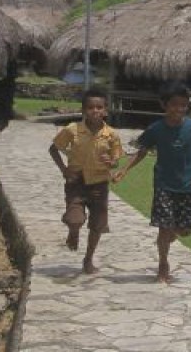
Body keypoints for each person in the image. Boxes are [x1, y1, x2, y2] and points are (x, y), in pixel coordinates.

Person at [113, 81, 191, 283]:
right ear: (164, 105)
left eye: (183, 105)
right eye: (174, 104)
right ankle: (163, 264)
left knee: (185, 230)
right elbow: (142, 151)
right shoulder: (156, 129)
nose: (179, 109)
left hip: (189, 185)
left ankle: (169, 235)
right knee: (164, 227)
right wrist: (124, 169)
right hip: (164, 185)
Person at [49, 86, 124, 274]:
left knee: (97, 225)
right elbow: (54, 148)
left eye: (99, 107)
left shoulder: (111, 135)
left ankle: (88, 259)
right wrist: (64, 170)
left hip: (99, 184)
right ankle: (73, 232)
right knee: (74, 219)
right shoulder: (72, 130)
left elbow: (116, 160)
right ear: (83, 110)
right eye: (91, 107)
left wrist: (112, 161)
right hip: (76, 182)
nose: (95, 111)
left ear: (106, 110)